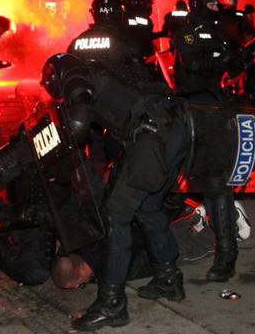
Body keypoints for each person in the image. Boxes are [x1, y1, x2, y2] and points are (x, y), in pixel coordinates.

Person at [40, 54, 188, 331]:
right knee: (148, 209)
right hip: (170, 133)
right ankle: (169, 278)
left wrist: (57, 143)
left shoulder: (75, 78)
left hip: (152, 140)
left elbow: (79, 124)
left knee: (116, 218)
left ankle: (112, 304)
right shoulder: (98, 70)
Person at [172, 0, 244, 283]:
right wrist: (219, 61)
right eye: (213, 4)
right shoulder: (188, 31)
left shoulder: (220, 31)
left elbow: (231, 63)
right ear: (200, 4)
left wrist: (238, 60)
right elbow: (192, 63)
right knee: (178, 180)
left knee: (216, 181)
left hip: (216, 111)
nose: (217, 9)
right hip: (192, 110)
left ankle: (226, 252)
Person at [0, 126, 56, 285]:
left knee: (72, 273)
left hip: (71, 217)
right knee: (35, 273)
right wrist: (17, 214)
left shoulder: (89, 139)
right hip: (35, 218)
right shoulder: (30, 145)